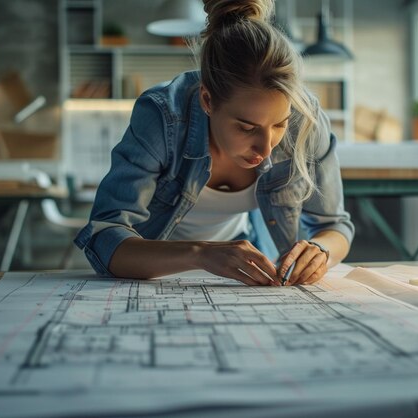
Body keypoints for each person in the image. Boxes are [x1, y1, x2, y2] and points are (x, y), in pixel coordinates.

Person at [74, 0, 354, 286]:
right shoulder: (162, 115)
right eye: (247, 127)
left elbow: (335, 227)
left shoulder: (305, 120)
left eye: (279, 125)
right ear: (207, 100)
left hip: (248, 269)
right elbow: (104, 237)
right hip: (156, 271)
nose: (266, 148)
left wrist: (321, 251)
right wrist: (201, 254)